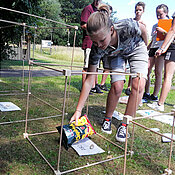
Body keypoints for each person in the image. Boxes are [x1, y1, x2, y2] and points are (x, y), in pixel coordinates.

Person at [70, 4, 148, 142]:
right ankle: (108, 118)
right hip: (115, 54)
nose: (99, 45)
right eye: (95, 42)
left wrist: (145, 49)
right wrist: (78, 110)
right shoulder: (97, 48)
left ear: (111, 29)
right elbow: (89, 80)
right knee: (117, 86)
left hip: (136, 47)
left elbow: (143, 30)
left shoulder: (127, 26)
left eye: (101, 40)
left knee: (139, 85)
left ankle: (125, 124)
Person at [147, 11, 175, 111]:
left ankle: (160, 104)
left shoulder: (171, 21)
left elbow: (172, 31)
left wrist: (162, 48)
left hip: (172, 48)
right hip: (170, 46)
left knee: (168, 76)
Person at [143, 4, 169, 101]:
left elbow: (171, 38)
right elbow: (153, 40)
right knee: (147, 70)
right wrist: (146, 48)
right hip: (153, 48)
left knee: (158, 72)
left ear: (166, 13)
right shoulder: (155, 25)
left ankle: (155, 95)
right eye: (156, 14)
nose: (158, 16)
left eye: (160, 14)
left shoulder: (170, 24)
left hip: (161, 49)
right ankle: (146, 92)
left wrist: (163, 31)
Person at [81, 0, 103, 94]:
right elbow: (83, 25)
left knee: (96, 66)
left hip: (97, 43)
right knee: (86, 66)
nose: (98, 1)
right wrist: (95, 28)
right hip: (89, 41)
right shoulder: (88, 9)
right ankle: (84, 87)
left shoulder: (99, 11)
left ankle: (94, 86)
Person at [125, 1, 146, 96]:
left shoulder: (143, 24)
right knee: (127, 68)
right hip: (127, 48)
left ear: (143, 11)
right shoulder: (130, 21)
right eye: (136, 10)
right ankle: (127, 86)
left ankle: (131, 87)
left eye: (140, 10)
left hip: (137, 50)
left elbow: (145, 39)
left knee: (135, 70)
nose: (138, 12)